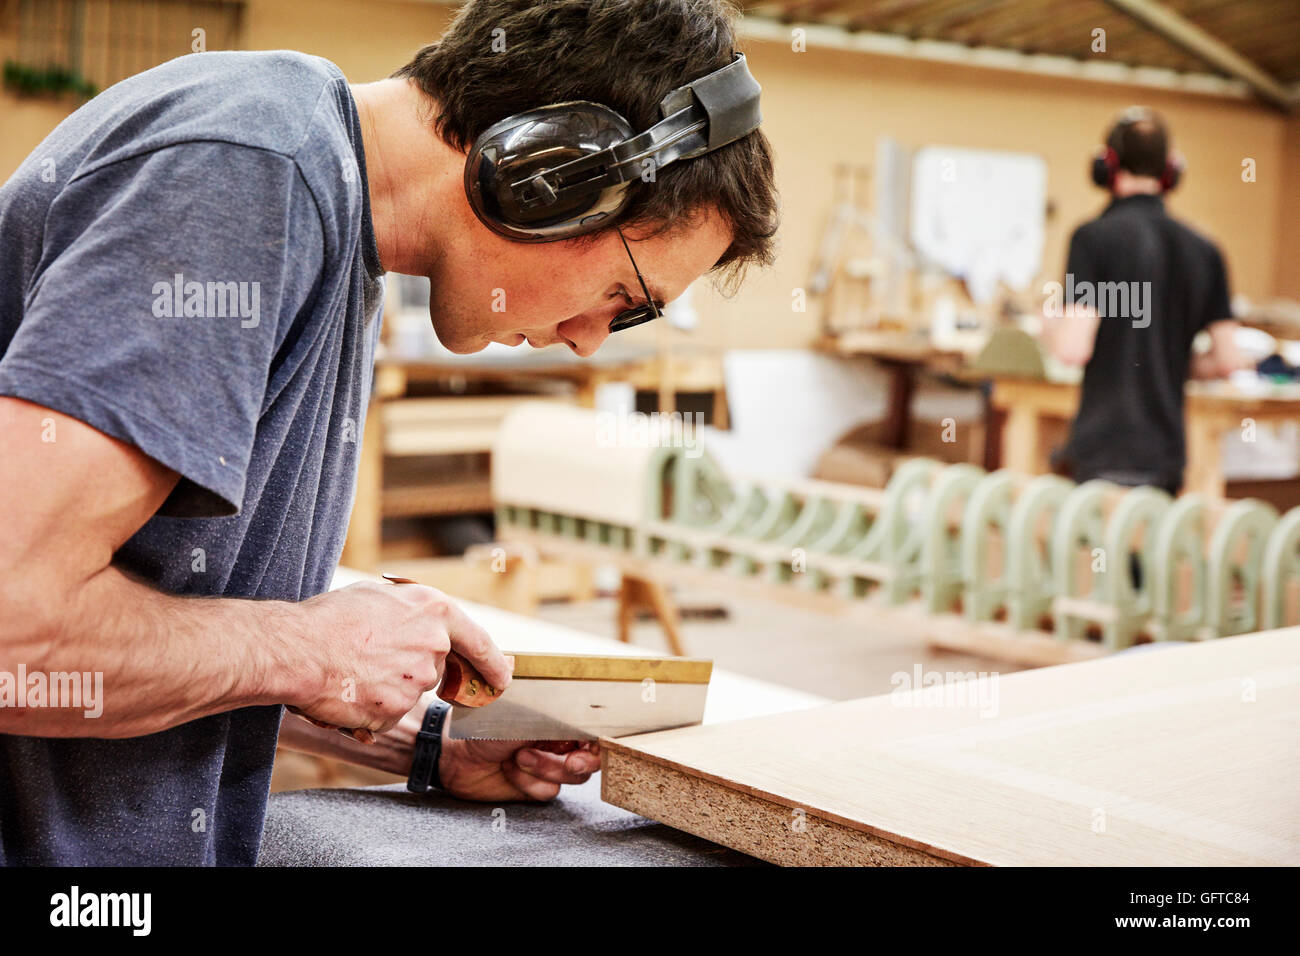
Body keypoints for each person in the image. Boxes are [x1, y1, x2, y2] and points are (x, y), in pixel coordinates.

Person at [0, 0, 778, 864]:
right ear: (548, 172)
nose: (593, 338)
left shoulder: (334, 226)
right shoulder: (245, 174)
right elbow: (15, 630)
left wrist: (419, 738)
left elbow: (169, 624)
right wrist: (306, 648)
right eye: (627, 298)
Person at [1046, 106, 1246, 495]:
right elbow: (1228, 360)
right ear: (1170, 171)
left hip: (1103, 450)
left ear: (1107, 166)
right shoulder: (1205, 250)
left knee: (1098, 552)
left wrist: (1047, 325)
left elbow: (1073, 348)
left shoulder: (1091, 239)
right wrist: (1170, 359)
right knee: (1149, 552)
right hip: (1165, 456)